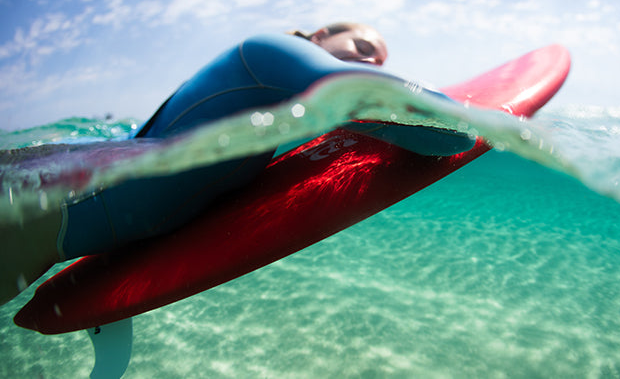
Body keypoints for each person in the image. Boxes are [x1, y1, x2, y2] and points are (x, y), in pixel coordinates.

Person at [0, 22, 467, 304]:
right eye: (364, 48)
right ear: (321, 34)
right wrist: (471, 121)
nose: (373, 64)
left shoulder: (280, 107)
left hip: (53, 228)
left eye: (379, 61)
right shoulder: (267, 51)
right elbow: (444, 132)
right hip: (48, 198)